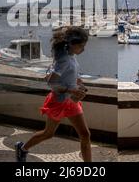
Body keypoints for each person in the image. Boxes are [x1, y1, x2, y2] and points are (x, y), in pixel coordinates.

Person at [15, 26, 91, 162]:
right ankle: (22, 148)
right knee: (48, 133)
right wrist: (71, 90)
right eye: (81, 46)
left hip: (71, 102)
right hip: (59, 102)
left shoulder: (71, 56)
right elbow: (51, 82)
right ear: (72, 44)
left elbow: (69, 75)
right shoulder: (64, 60)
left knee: (85, 134)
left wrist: (78, 82)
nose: (83, 49)